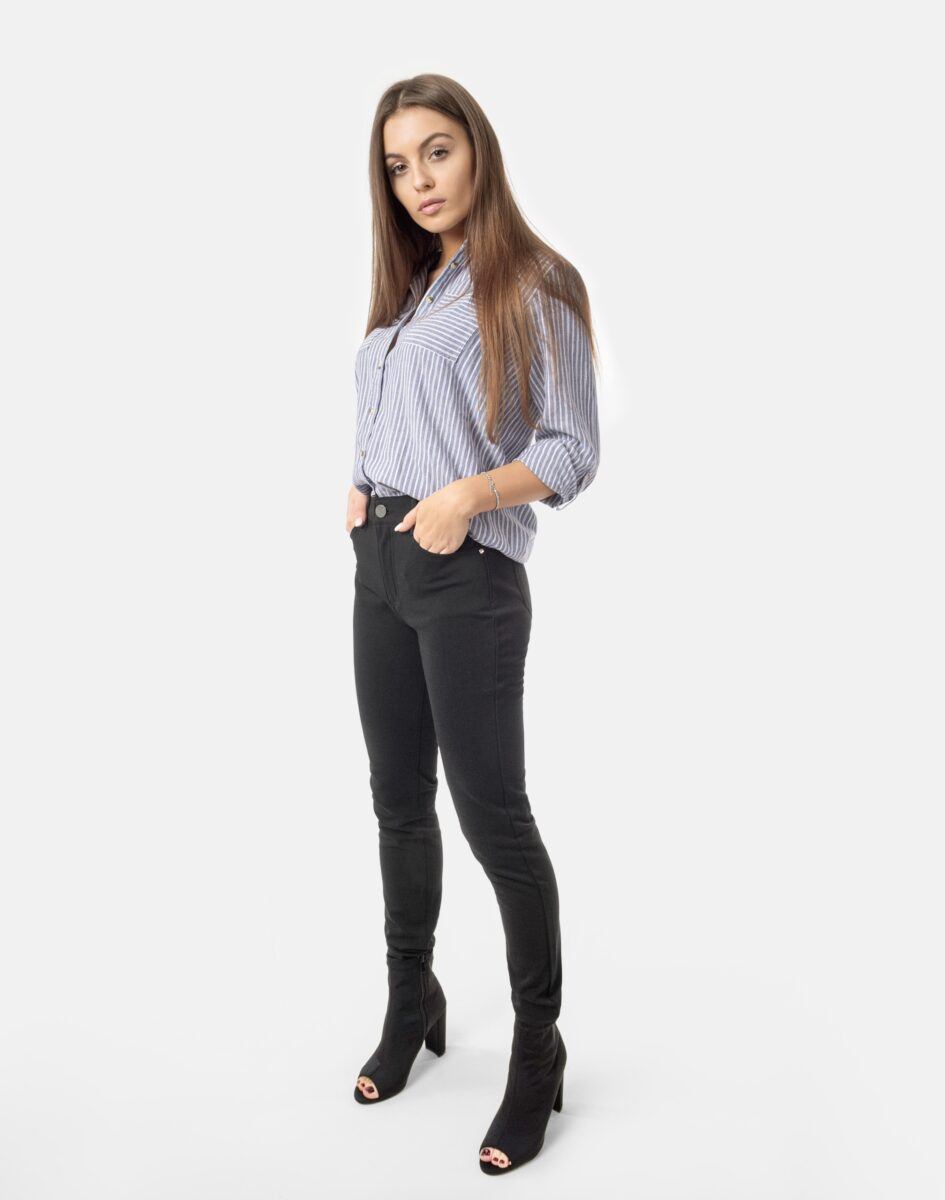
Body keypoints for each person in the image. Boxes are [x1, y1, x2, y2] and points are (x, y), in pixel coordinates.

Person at [345, 73, 600, 1175]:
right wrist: (362, 483)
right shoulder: (412, 289)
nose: (420, 181)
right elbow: (397, 413)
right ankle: (414, 999)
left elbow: (571, 446)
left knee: (493, 815)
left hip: (470, 576)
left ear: (478, 151)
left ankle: (538, 1049)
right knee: (398, 802)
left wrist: (462, 496)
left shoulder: (533, 282)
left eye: (437, 152)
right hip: (380, 568)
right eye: (398, 165)